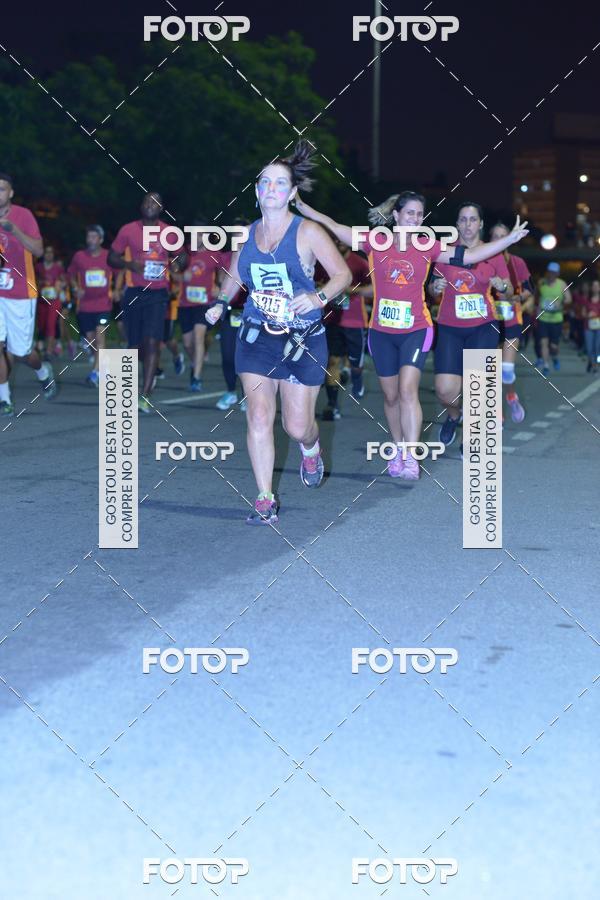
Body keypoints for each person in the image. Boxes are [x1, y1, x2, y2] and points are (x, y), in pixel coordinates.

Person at [298, 192, 527, 477]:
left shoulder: (427, 245)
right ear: (396, 216)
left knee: (408, 391)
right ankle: (398, 449)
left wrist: (508, 240)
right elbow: (337, 228)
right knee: (391, 396)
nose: (415, 219)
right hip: (381, 333)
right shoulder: (377, 241)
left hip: (417, 329)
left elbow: (469, 255)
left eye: (419, 215)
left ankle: (411, 455)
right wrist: (307, 209)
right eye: (410, 214)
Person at [207, 141, 351, 524]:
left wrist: (317, 297)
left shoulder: (308, 232)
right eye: (264, 182)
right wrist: (222, 301)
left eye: (279, 183)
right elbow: (236, 272)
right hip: (257, 334)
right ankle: (264, 498)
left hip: (302, 338)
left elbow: (343, 275)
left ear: (290, 192)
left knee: (297, 425)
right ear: (257, 192)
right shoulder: (249, 234)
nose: (270, 188)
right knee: (257, 414)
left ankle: (311, 448)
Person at [430, 203, 519, 449]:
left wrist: (502, 286)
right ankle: (454, 416)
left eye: (472, 219)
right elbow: (432, 285)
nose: (467, 224)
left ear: (481, 224)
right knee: (445, 390)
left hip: (484, 325)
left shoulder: (494, 253)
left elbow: (511, 291)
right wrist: (434, 287)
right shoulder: (446, 252)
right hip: (449, 326)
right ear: (457, 224)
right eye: (463, 219)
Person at [107, 192, 174, 413]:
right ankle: (141, 379)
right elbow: (111, 257)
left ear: (161, 208)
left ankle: (145, 394)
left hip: (157, 293)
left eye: (155, 202)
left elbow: (181, 256)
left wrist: (176, 262)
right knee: (135, 345)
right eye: (146, 201)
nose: (150, 205)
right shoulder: (128, 230)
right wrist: (129, 264)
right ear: (141, 206)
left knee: (153, 341)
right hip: (134, 292)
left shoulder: (169, 232)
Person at [0, 173, 57, 417]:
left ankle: (42, 371)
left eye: (2, 189)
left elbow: (37, 249)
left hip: (20, 292)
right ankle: (5, 400)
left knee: (22, 353)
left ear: (10, 193)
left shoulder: (23, 216)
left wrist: (14, 231)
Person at [488, 222, 535, 424]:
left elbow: (529, 288)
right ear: (489, 239)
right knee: (490, 369)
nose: (499, 240)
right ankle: (496, 408)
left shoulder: (517, 262)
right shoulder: (481, 259)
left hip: (510, 318)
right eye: (495, 236)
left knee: (506, 370)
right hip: (487, 320)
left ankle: (511, 396)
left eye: (503, 236)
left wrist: (518, 297)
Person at [320, 242, 371, 421]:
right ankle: (332, 405)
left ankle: (356, 378)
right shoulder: (325, 260)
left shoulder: (359, 262)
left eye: (341, 240)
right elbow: (317, 282)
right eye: (334, 239)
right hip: (332, 319)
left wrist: (350, 291)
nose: (338, 243)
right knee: (332, 361)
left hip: (355, 321)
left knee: (355, 363)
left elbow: (374, 289)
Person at [174, 225, 227, 392]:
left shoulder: (214, 253)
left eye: (200, 234)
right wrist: (182, 276)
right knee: (188, 343)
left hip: (204, 304)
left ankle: (196, 378)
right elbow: (171, 271)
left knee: (198, 337)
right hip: (185, 305)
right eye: (193, 234)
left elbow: (224, 273)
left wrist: (219, 287)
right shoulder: (185, 254)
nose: (196, 237)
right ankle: (195, 361)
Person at [68, 225, 114, 386]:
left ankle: (96, 372)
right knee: (90, 340)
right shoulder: (79, 256)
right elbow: (71, 274)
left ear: (101, 240)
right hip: (85, 306)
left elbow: (121, 271)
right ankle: (103, 365)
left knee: (100, 337)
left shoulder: (109, 256)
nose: (91, 240)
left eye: (94, 237)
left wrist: (116, 289)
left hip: (103, 305)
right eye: (89, 237)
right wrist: (75, 288)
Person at [535, 262, 572, 375]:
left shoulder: (562, 284)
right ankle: (546, 366)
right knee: (543, 343)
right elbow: (536, 296)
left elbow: (569, 299)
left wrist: (560, 305)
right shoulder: (541, 283)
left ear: (557, 273)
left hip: (556, 319)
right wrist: (537, 309)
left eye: (554, 272)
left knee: (553, 346)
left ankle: (555, 357)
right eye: (550, 272)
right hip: (543, 318)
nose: (551, 274)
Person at [35, 244, 65, 358]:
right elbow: (34, 280)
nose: (49, 255)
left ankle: (49, 350)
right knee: (41, 324)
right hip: (42, 300)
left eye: (51, 252)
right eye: (47, 252)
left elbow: (64, 281)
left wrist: (60, 286)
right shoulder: (38, 267)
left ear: (53, 255)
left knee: (51, 324)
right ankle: (40, 345)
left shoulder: (58, 268)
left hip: (54, 301)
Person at [583, 278, 600, 373]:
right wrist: (588, 315)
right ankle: (591, 362)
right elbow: (583, 313)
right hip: (588, 327)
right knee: (589, 348)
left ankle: (595, 365)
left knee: (597, 348)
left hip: (599, 328)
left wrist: (596, 315)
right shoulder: (587, 300)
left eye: (597, 286)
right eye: (593, 286)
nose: (595, 288)